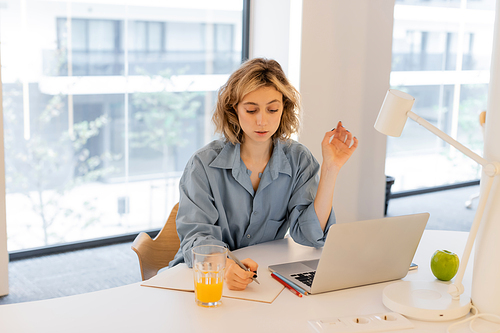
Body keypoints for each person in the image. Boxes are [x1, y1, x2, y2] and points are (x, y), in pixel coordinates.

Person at [169, 58, 358, 291]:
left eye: (272, 109)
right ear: (233, 109)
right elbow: (196, 238)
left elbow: (310, 236)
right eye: (251, 109)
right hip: (201, 279)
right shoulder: (203, 165)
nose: (262, 120)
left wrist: (331, 168)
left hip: (258, 282)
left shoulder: (299, 159)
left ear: (284, 109)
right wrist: (225, 265)